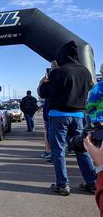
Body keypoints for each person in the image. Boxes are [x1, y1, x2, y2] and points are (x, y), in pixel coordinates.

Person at [39, 40, 96, 196]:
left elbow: (44, 93)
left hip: (58, 116)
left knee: (58, 150)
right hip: (78, 116)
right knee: (81, 149)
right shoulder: (85, 71)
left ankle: (63, 185)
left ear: (62, 56)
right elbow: (90, 87)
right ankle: (92, 183)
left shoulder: (58, 72)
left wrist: (47, 79)